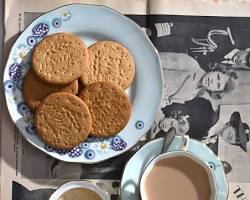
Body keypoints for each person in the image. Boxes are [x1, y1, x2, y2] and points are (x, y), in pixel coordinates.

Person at [160, 52, 238, 111]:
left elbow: (164, 101)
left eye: (217, 86)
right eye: (217, 76)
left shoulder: (191, 95)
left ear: (214, 91)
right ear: (216, 70)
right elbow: (157, 59)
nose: (212, 81)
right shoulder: (191, 64)